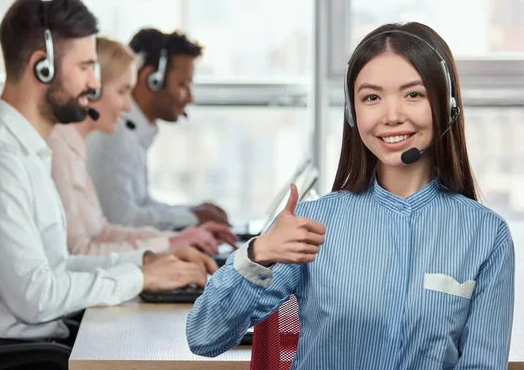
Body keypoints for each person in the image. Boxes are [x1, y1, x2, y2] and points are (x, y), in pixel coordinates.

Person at [186, 22, 515, 369]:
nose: (391, 116)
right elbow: (205, 335)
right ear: (352, 113)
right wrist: (260, 252)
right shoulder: (312, 225)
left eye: (413, 94)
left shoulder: (485, 235)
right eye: (372, 97)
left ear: (446, 105)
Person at [0, 0, 216, 354]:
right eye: (84, 68)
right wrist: (141, 276)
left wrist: (144, 261)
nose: (94, 85)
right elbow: (35, 298)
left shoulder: (27, 152)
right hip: (3, 354)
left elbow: (59, 266)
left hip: (30, 343)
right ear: (42, 67)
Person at [47, 36, 238, 256]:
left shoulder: (81, 147)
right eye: (122, 91)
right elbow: (95, 240)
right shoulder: (104, 140)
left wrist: (180, 237)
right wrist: (171, 245)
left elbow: (103, 231)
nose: (127, 106)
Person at [86, 28, 229, 231]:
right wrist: (192, 218)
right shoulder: (113, 136)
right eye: (182, 84)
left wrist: (194, 212)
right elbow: (121, 219)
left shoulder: (132, 134)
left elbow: (143, 205)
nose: (190, 98)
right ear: (152, 80)